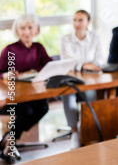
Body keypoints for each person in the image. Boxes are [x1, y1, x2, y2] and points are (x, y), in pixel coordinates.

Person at [0, 14, 52, 163]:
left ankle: (8, 138)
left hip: (32, 95)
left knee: (43, 107)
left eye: (30, 28)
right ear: (17, 30)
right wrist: (5, 75)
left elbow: (49, 66)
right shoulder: (10, 50)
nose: (26, 31)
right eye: (22, 28)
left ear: (36, 30)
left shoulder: (38, 48)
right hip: (11, 97)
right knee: (26, 111)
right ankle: (9, 144)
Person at [60, 10, 105, 149]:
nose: (77, 23)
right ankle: (74, 132)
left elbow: (101, 59)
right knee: (68, 94)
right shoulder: (66, 39)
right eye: (75, 20)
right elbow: (66, 63)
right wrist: (84, 65)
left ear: (88, 23)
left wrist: (93, 65)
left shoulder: (95, 37)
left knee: (90, 94)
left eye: (81, 20)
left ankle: (88, 130)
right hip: (71, 79)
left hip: (90, 79)